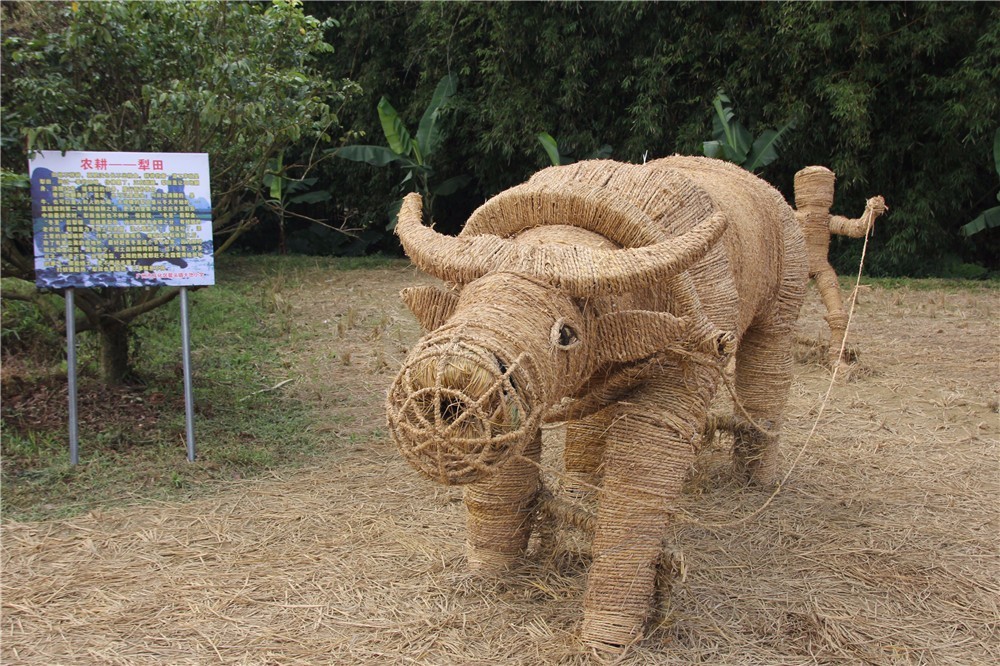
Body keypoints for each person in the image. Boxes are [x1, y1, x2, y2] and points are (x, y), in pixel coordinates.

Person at [793, 166, 887, 366]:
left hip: (821, 268)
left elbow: (856, 228)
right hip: (796, 269)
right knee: (786, 311)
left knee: (837, 312)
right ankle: (778, 350)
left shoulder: (827, 220)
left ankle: (836, 355)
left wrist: (870, 213)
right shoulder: (793, 219)